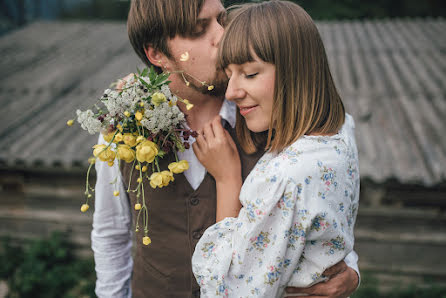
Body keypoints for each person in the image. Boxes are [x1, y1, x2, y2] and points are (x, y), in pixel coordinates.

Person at [91, 0, 360, 297]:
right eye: (199, 29)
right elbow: (111, 235)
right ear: (156, 54)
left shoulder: (283, 116)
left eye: (221, 19)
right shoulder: (124, 127)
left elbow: (329, 217)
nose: (221, 35)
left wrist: (351, 274)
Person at [191, 1, 360, 297]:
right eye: (230, 74)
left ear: (297, 71)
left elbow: (229, 291)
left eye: (250, 73)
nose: (231, 92)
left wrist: (227, 179)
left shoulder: (284, 178)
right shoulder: (341, 129)